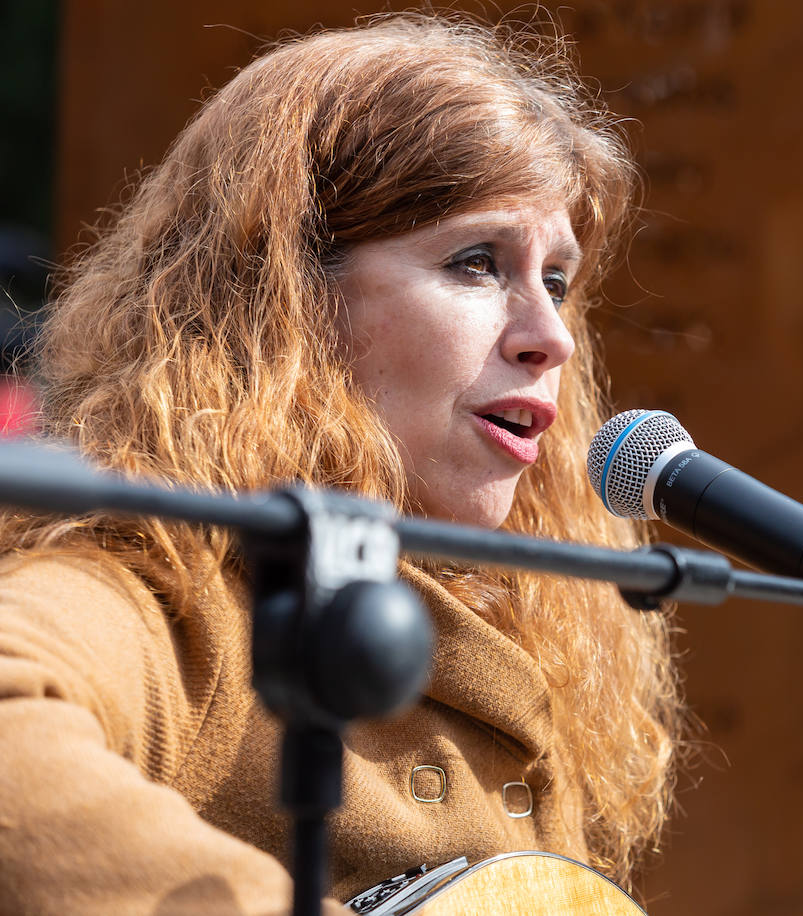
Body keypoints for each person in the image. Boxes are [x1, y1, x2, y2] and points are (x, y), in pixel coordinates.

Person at [0, 13, 683, 914]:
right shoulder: (173, 595)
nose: (550, 335)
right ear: (287, 302)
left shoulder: (525, 630)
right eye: (477, 262)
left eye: (556, 279)